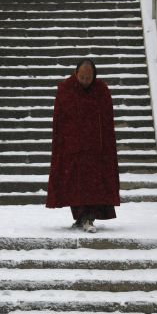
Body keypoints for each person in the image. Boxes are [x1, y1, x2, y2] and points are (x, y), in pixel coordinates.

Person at [46, 58, 120, 233]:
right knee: (75, 185)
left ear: (94, 76)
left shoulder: (101, 90)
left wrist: (106, 146)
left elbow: (108, 121)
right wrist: (61, 143)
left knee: (94, 186)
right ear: (75, 73)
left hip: (96, 148)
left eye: (89, 77)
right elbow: (59, 120)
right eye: (82, 77)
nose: (86, 80)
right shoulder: (65, 89)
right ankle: (81, 216)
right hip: (73, 147)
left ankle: (88, 217)